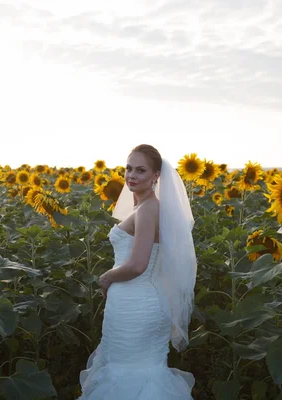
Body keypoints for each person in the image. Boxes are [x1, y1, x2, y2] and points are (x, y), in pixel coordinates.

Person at [78, 144, 197, 399]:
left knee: (131, 373)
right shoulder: (147, 207)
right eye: (128, 168)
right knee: (135, 371)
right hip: (135, 302)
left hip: (138, 303)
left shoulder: (148, 209)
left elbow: (137, 264)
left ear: (156, 175)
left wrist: (106, 277)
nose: (131, 175)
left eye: (140, 170)